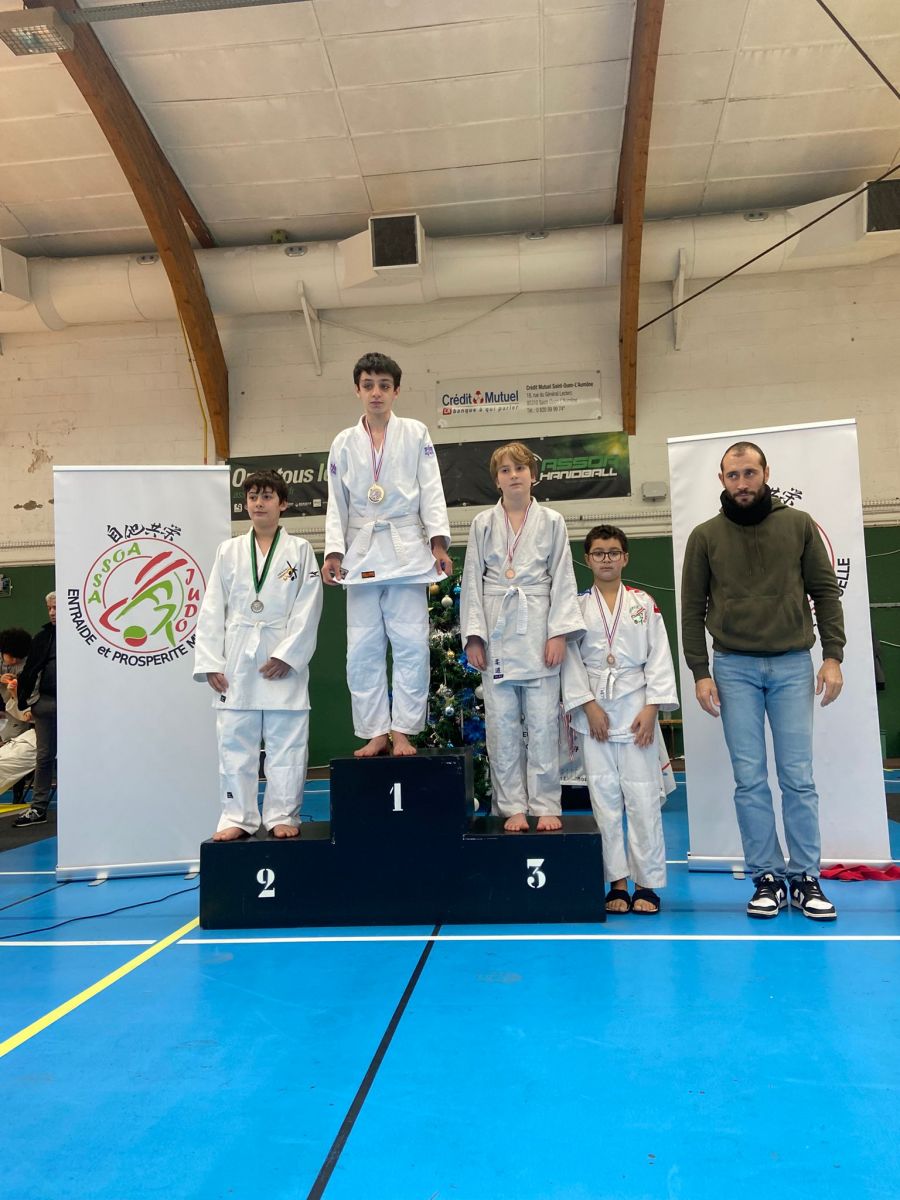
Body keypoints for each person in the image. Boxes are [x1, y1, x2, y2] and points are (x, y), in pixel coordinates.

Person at [681, 441, 845, 920]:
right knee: (750, 779)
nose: (742, 483)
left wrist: (832, 656)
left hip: (793, 664)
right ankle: (767, 878)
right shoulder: (704, 536)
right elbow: (691, 609)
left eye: (749, 473)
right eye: (733, 475)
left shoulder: (799, 525)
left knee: (798, 778)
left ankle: (806, 877)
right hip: (732, 668)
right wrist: (700, 672)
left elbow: (825, 592)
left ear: (766, 473)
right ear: (721, 480)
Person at [322, 351, 452, 758]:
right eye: (368, 386)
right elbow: (336, 502)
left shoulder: (415, 433)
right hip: (361, 552)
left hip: (406, 551)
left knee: (411, 645)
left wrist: (438, 543)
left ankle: (403, 731)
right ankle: (375, 731)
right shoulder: (343, 443)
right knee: (362, 649)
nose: (375, 393)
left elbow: (431, 488)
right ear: (357, 390)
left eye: (383, 386)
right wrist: (333, 552)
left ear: (396, 391)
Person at [194, 470, 323, 841]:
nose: (258, 503)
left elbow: (309, 606)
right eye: (253, 497)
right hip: (237, 658)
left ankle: (283, 814)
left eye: (267, 496)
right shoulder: (229, 550)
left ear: (282, 504)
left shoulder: (300, 550)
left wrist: (288, 656)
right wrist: (211, 662)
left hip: (282, 657)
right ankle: (237, 815)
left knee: (287, 743)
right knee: (235, 743)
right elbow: (212, 608)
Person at [461, 441, 583, 832]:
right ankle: (511, 804)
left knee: (545, 724)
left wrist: (558, 633)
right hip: (496, 629)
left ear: (534, 474)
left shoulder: (552, 521)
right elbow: (472, 579)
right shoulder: (482, 523)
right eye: (505, 470)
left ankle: (546, 803)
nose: (513, 475)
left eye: (520, 468)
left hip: (539, 627)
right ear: (496, 480)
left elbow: (563, 577)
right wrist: (474, 636)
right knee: (501, 726)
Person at [561, 525, 678, 913]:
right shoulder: (577, 606)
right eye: (598, 553)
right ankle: (616, 883)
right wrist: (587, 705)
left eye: (613, 552)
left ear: (625, 557)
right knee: (604, 801)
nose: (606, 559)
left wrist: (652, 708)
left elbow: (659, 657)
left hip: (636, 710)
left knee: (642, 799)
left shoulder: (644, 603)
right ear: (588, 560)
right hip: (595, 712)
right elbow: (570, 659)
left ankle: (646, 884)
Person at [12, 594, 57, 828]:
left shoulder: (82, 639)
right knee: (44, 756)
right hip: (45, 702)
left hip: (77, 704)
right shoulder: (41, 638)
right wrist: (31, 702)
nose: (52, 612)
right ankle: (38, 808)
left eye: (56, 607)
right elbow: (30, 671)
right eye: (49, 608)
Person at [0, 627, 37, 799]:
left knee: (20, 749)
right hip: (8, 707)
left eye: (18, 658)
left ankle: (19, 794)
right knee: (9, 743)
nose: (14, 661)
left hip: (23, 706)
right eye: (10, 657)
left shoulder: (30, 662)